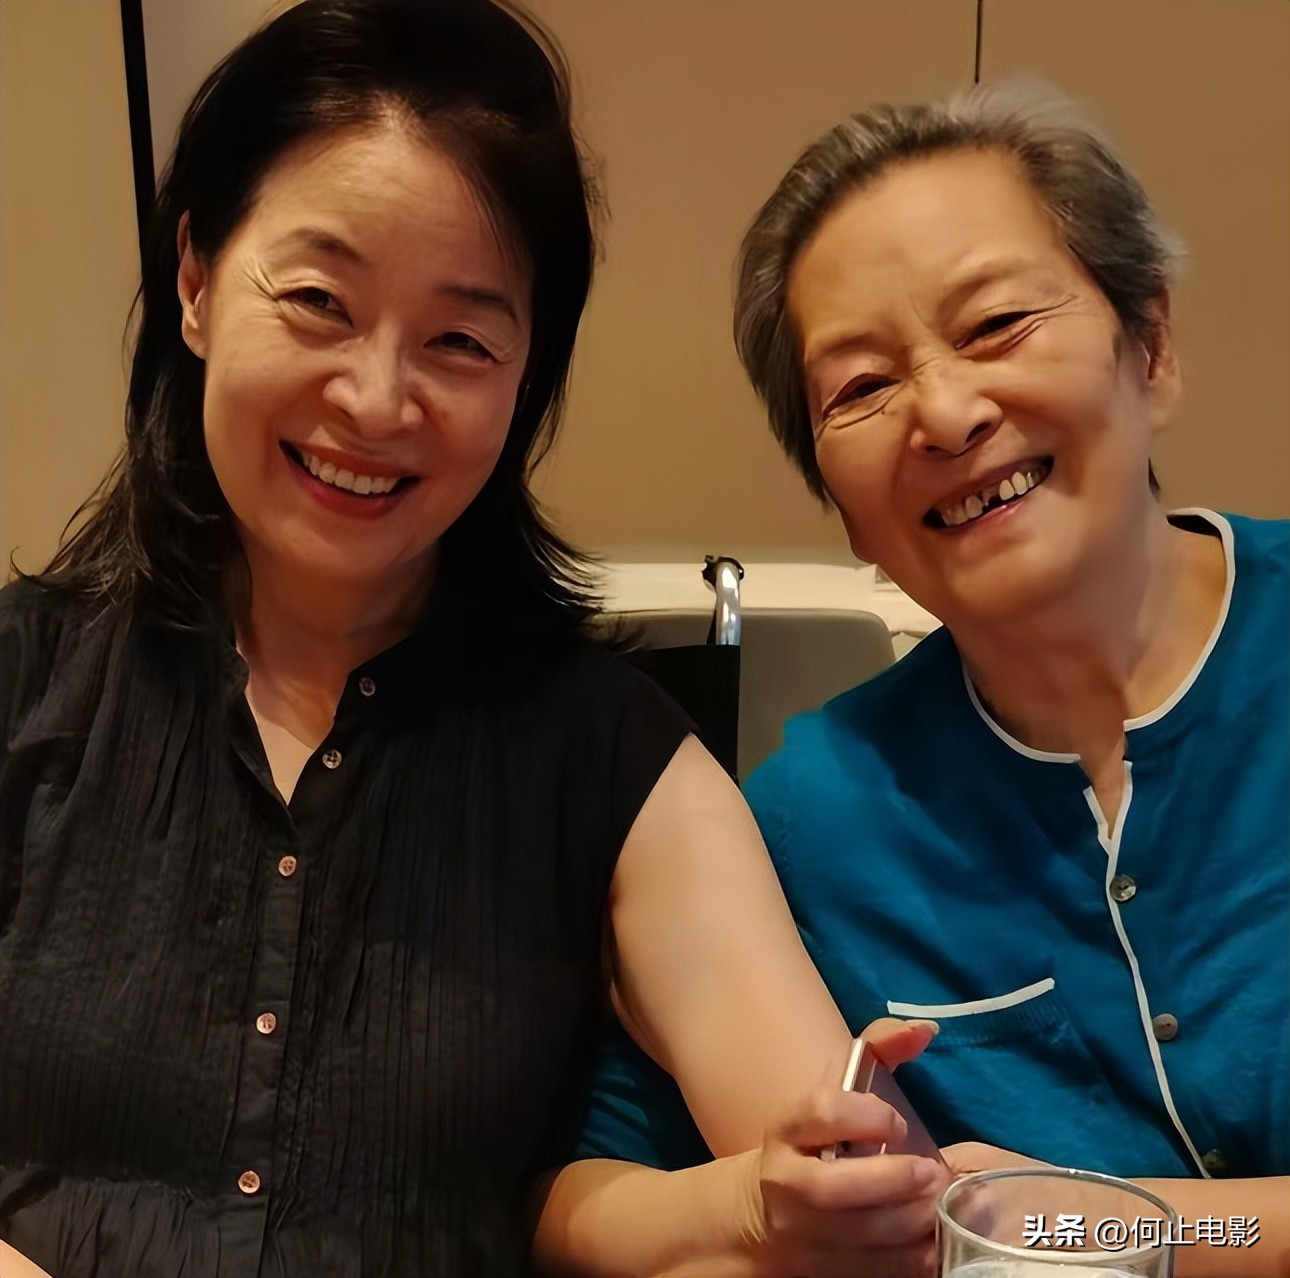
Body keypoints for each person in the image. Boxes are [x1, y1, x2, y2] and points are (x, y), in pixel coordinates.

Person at [0, 2, 950, 1275]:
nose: (376, 399)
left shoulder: (618, 766)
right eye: (318, 300)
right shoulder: (23, 684)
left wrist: (823, 1192)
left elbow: (856, 1196)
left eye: (459, 340)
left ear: (525, 375)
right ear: (196, 283)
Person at [559, 83, 1289, 1278]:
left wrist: (1093, 1227)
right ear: (839, 505)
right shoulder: (816, 816)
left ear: (1150, 346)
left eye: (996, 323)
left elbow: (1052, 1227)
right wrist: (761, 1202)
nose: (945, 414)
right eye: (860, 388)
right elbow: (583, 1192)